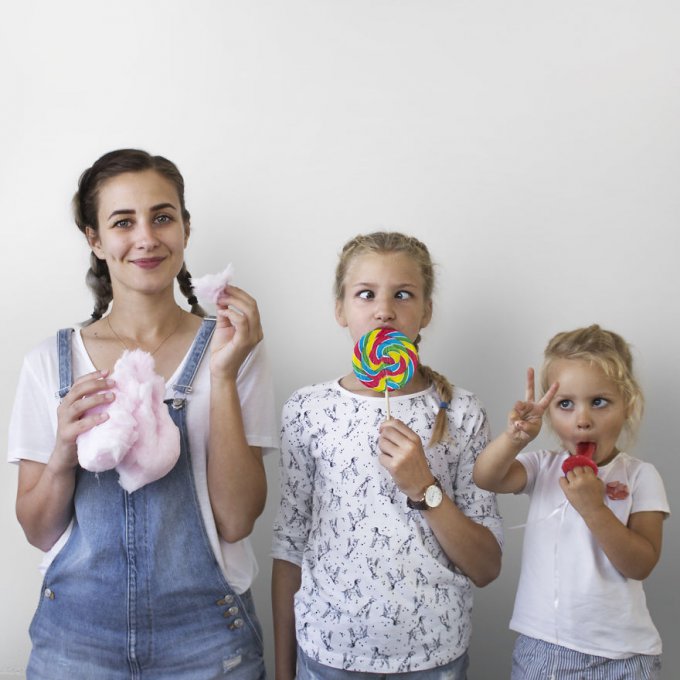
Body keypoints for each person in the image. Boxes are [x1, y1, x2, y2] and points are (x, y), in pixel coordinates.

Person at [8, 149, 278, 679]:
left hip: (208, 641)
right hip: (75, 644)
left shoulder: (235, 349)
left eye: (162, 216)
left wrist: (221, 375)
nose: (146, 237)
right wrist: (64, 450)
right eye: (123, 222)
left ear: (185, 227)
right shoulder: (49, 362)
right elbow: (39, 532)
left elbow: (238, 518)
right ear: (95, 239)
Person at [271, 231, 503, 679]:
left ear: (427, 310)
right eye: (365, 294)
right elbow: (289, 544)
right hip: (327, 655)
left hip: (434, 657)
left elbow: (486, 566)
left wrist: (424, 487)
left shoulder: (460, 411)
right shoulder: (308, 409)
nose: (384, 310)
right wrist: (284, 672)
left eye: (403, 294)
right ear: (340, 309)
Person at [473, 324, 669, 680]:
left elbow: (640, 565)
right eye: (565, 404)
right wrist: (514, 439)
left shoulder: (642, 476)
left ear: (628, 405)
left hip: (625, 657)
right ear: (549, 414)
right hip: (544, 648)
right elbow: (486, 477)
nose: (582, 420)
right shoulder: (543, 467)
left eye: (599, 402)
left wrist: (594, 508)